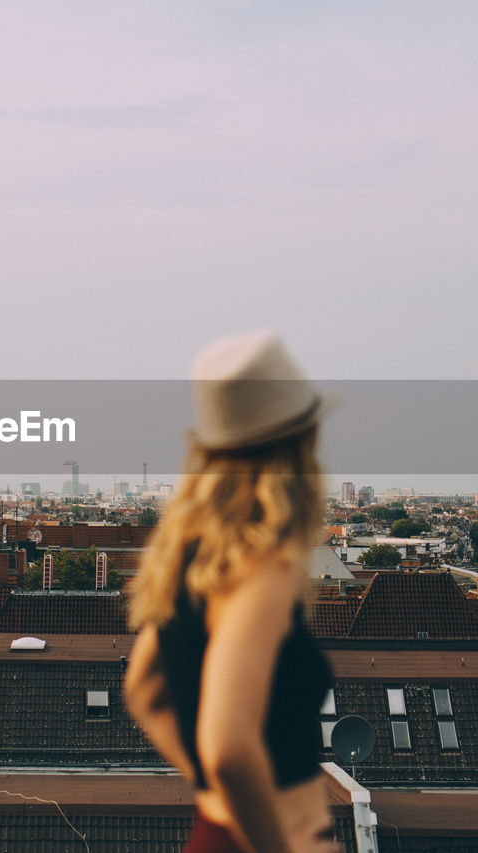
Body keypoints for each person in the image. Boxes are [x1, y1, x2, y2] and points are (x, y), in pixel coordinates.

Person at [126, 330, 340, 853]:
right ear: (299, 444)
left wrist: (213, 796)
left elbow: (143, 691)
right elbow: (228, 746)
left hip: (216, 831)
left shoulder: (190, 557)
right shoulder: (264, 567)